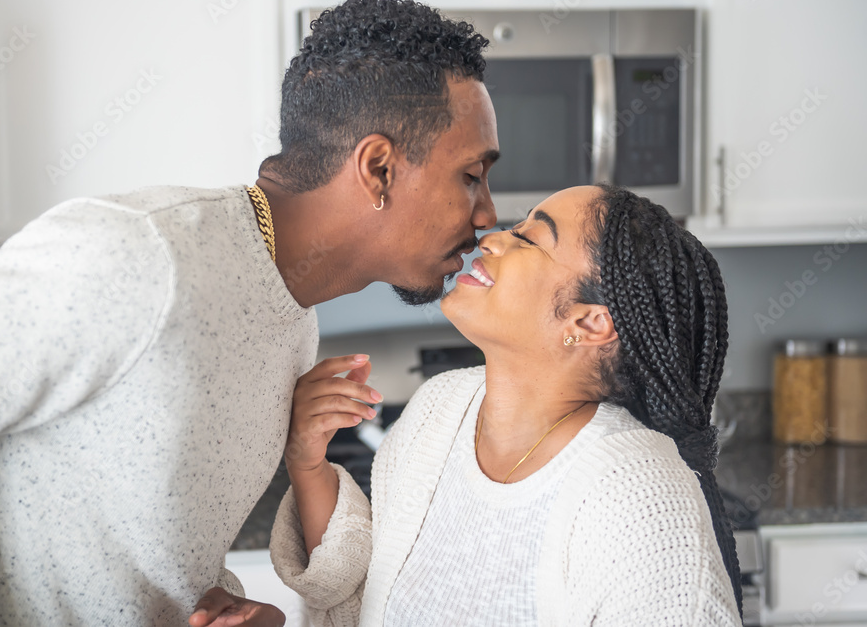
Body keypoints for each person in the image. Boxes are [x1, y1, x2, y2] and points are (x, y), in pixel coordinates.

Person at [0, 0, 498, 626]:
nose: (487, 215)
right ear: (379, 168)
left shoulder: (293, 326)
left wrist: (225, 604)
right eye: (472, 175)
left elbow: (149, 563)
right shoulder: (137, 258)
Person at [269, 184, 744, 626]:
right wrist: (308, 463)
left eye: (531, 239)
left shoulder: (641, 495)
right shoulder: (440, 410)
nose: (494, 239)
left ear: (590, 322)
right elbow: (363, 594)